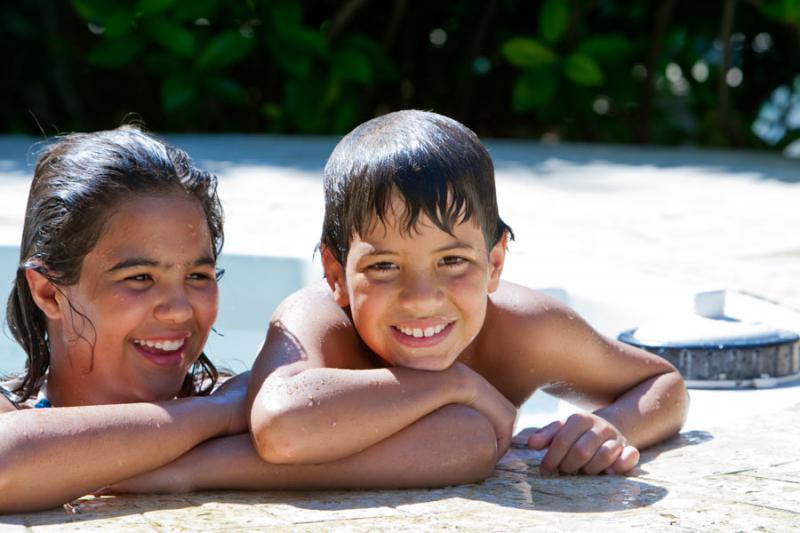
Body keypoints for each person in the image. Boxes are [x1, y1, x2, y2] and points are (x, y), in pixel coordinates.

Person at [0, 125, 502, 513]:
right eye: (139, 278)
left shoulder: (255, 407)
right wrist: (218, 418)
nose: (179, 310)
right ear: (48, 291)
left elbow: (461, 440)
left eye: (199, 275)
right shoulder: (235, 409)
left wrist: (189, 466)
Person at [247, 110, 689, 483]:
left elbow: (663, 385)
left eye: (452, 261)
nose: (421, 299)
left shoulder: (522, 331)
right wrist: (452, 383)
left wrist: (611, 428)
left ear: (495, 263)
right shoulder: (318, 324)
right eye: (384, 266)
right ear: (334, 273)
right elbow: (279, 426)